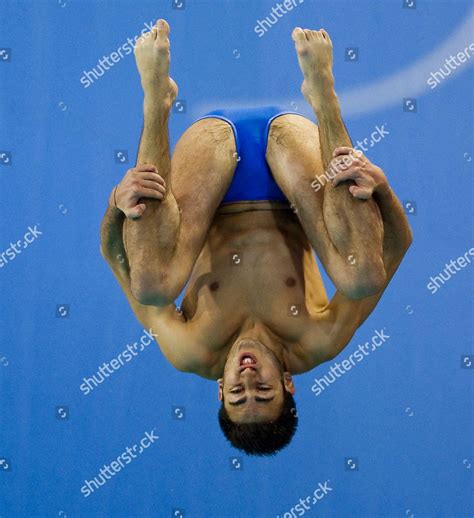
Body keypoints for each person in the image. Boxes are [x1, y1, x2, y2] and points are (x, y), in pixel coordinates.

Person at [100, 19, 413, 456]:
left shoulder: (189, 350)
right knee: (362, 277)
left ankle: (157, 101)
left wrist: (118, 201)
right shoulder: (317, 342)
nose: (247, 379)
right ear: (288, 385)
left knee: (152, 284)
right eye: (263, 393)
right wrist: (381, 187)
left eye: (236, 395)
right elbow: (396, 247)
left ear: (219, 392)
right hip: (294, 168)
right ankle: (325, 98)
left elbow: (117, 259)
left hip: (209, 173)